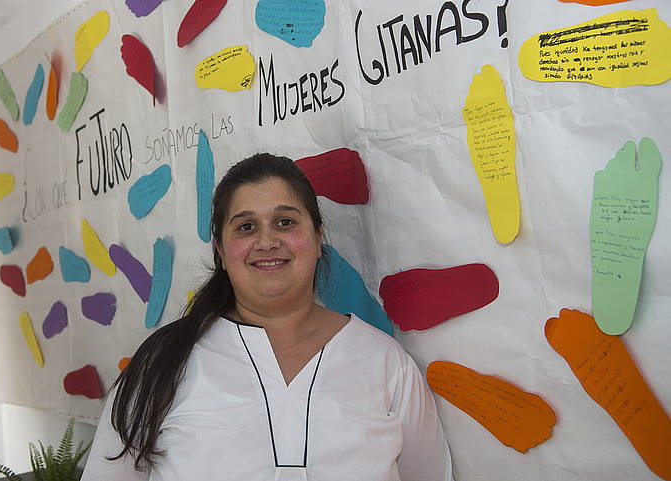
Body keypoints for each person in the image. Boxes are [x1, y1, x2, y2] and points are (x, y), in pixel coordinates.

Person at [81, 153, 452, 481]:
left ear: (318, 238)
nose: (267, 241)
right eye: (246, 227)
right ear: (220, 251)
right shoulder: (163, 362)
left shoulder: (384, 362)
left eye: (285, 222)